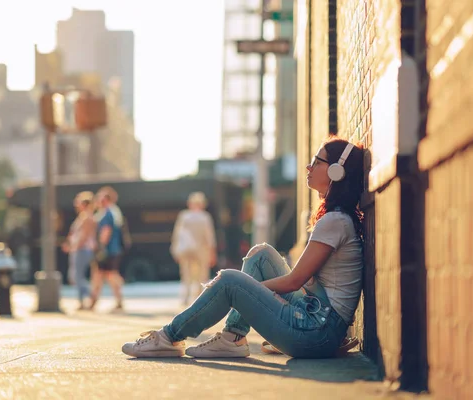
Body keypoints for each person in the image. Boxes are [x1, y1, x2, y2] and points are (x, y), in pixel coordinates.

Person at [122, 137, 364, 359]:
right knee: (261, 254)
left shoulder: (335, 221)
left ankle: (168, 337)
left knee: (229, 280)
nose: (308, 168)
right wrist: (249, 293)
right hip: (317, 318)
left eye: (316, 162)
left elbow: (294, 281)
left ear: (336, 170)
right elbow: (299, 283)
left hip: (316, 333)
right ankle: (232, 338)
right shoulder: (336, 219)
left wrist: (245, 291)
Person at [170, 191, 217, 305]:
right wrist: (212, 253)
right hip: (201, 250)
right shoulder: (205, 217)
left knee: (186, 275)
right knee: (202, 275)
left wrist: (175, 249)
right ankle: (199, 298)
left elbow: (177, 234)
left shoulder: (184, 215)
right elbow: (209, 237)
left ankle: (185, 298)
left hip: (185, 250)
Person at [89, 186, 125, 312]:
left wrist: (100, 247)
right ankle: (97, 301)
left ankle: (93, 302)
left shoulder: (107, 214)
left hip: (107, 250)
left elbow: (106, 231)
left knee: (105, 275)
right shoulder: (114, 212)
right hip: (113, 249)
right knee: (106, 275)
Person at [61, 191, 97, 310]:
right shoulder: (82, 217)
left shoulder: (87, 217)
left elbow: (84, 235)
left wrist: (75, 246)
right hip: (78, 249)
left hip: (82, 249)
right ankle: (85, 298)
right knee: (76, 275)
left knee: (77, 275)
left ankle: (89, 297)